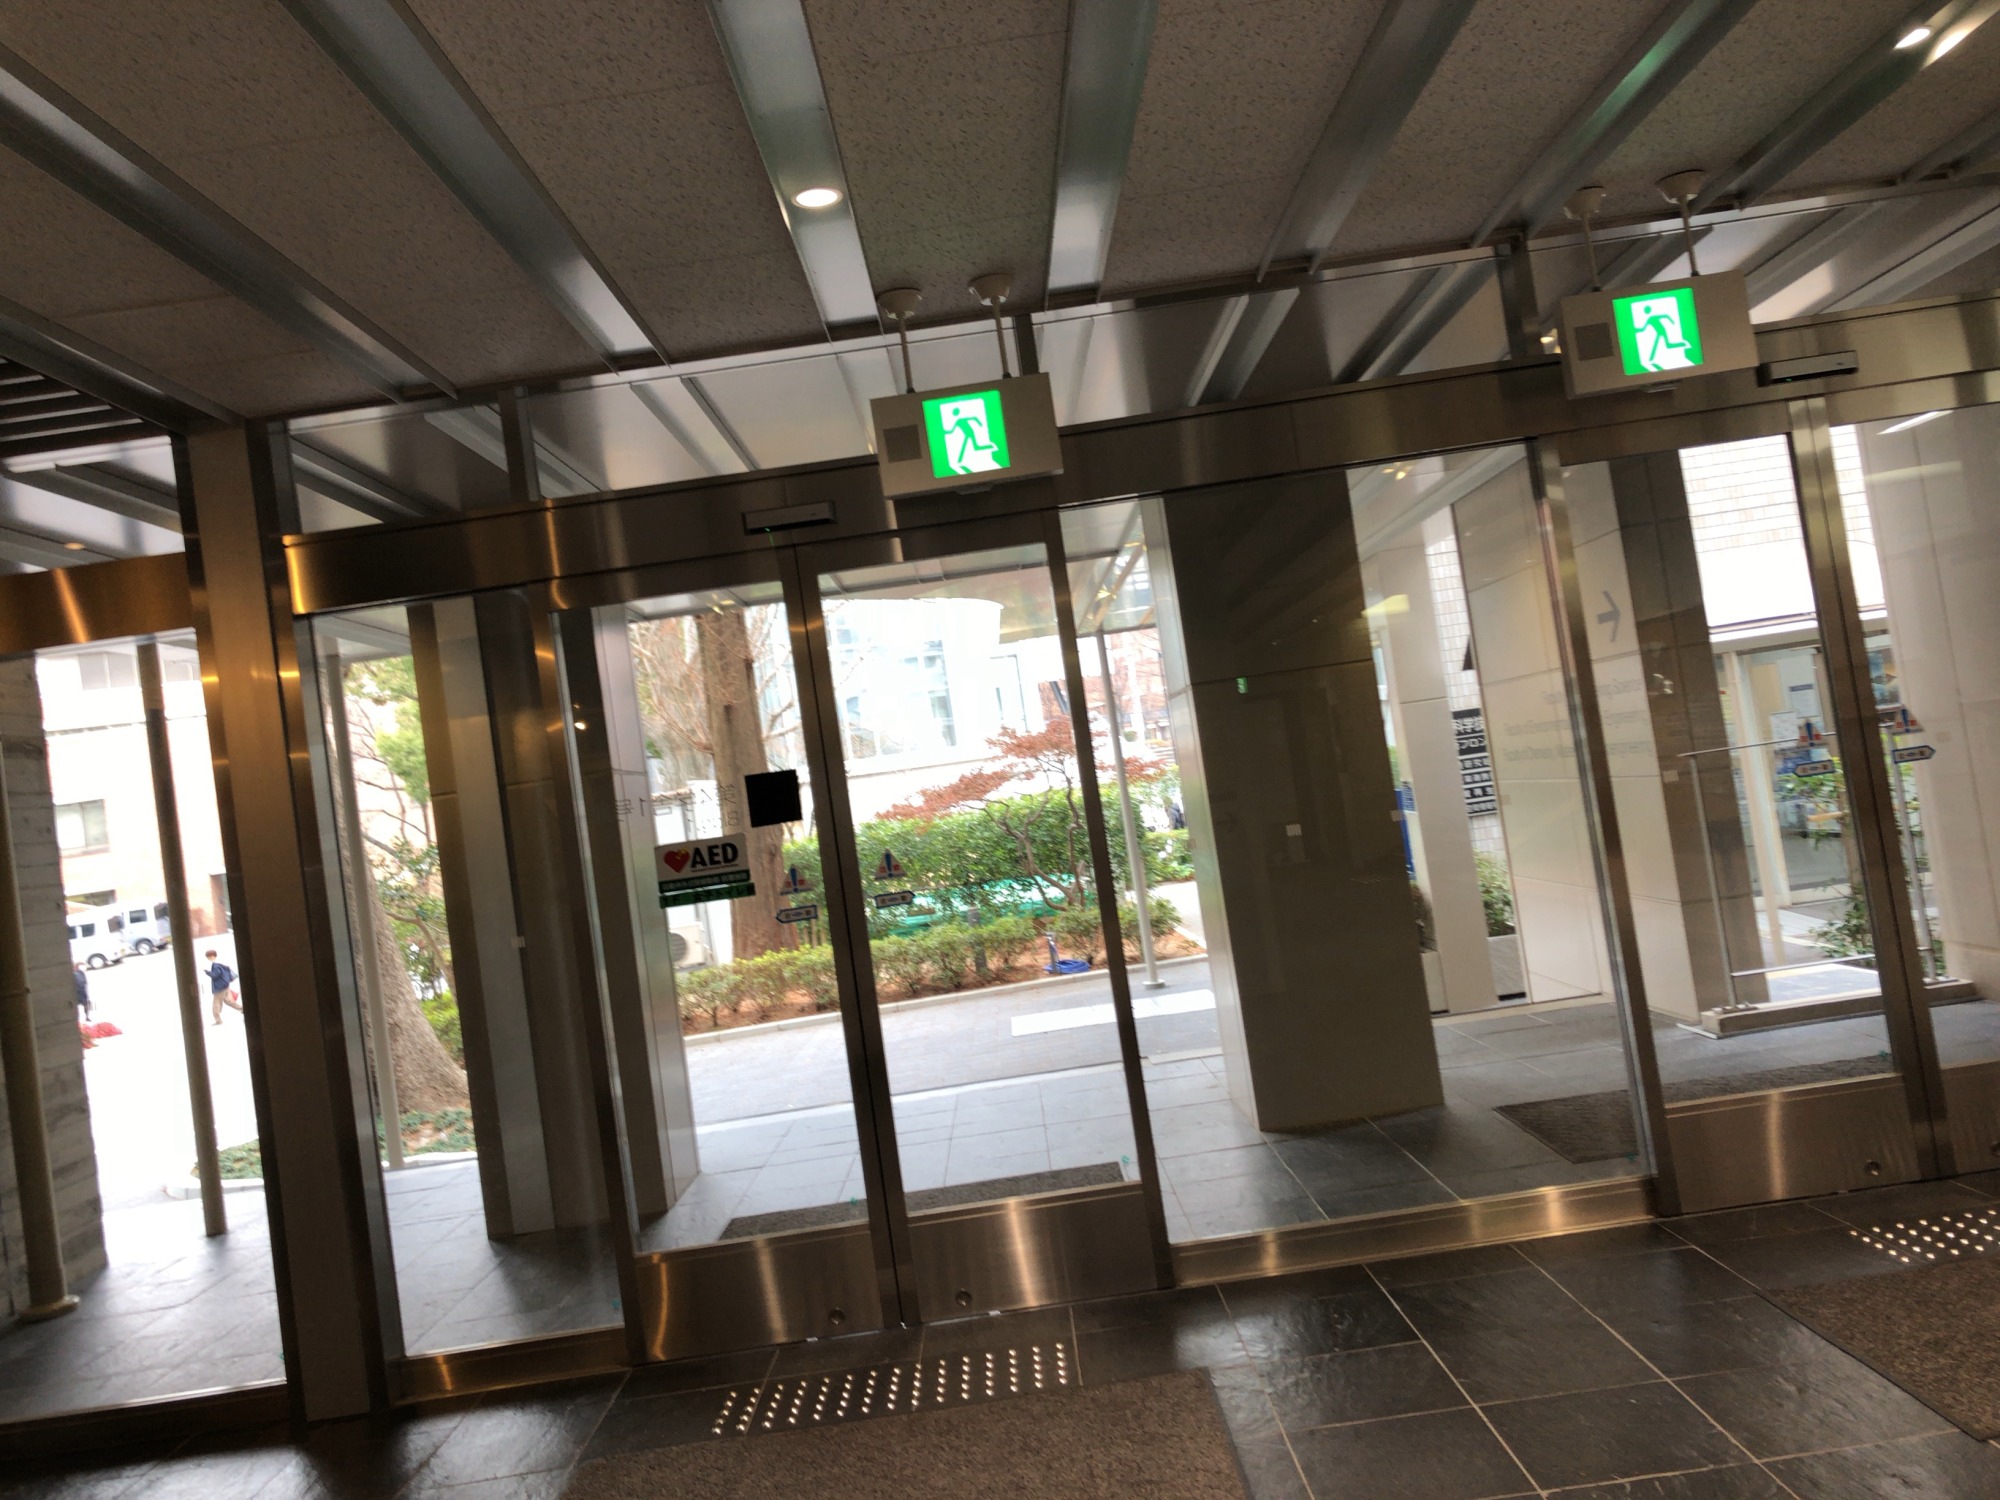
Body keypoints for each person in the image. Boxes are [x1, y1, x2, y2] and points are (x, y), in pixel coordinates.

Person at [205, 949, 242, 1023]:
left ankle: (218, 1020)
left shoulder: (215, 965)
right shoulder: (221, 964)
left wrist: (207, 972)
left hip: (219, 988)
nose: (208, 958)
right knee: (228, 1001)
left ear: (212, 956)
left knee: (216, 1003)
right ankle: (242, 1009)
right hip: (225, 986)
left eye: (209, 957)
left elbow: (215, 975)